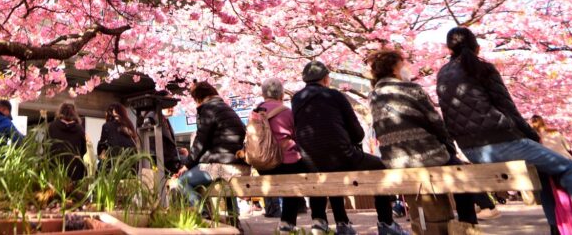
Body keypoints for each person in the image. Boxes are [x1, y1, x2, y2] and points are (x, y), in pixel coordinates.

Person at [437, 27, 572, 229]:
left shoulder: (442, 75)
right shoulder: (482, 68)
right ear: (476, 47)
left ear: (449, 49)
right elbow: (508, 108)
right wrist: (532, 136)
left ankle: (557, 227)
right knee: (569, 167)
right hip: (501, 142)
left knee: (544, 172)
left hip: (471, 150)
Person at [293, 60, 410, 235]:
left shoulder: (296, 99)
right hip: (341, 156)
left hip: (310, 160)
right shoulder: (335, 95)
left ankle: (341, 223)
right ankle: (386, 223)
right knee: (379, 166)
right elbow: (357, 133)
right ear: (325, 79)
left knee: (327, 172)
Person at [367, 49, 478, 228]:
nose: (407, 68)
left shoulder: (373, 96)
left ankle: (434, 225)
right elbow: (435, 122)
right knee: (461, 175)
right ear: (395, 69)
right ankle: (467, 224)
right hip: (427, 154)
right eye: (403, 64)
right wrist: (449, 147)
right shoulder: (411, 88)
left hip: (394, 161)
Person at [256, 77, 348, 234]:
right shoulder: (286, 112)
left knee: (291, 181)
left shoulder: (255, 113)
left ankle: (287, 223)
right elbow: (300, 136)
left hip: (263, 165)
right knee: (314, 170)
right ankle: (317, 220)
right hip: (286, 163)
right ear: (281, 93)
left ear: (263, 94)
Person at [173, 81, 247, 206]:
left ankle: (203, 214)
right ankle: (233, 221)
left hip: (221, 167)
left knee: (181, 182)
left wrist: (187, 165)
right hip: (239, 164)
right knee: (226, 188)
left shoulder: (209, 110)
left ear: (198, 98)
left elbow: (200, 142)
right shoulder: (226, 108)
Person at [47, 102, 88, 184]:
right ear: (74, 113)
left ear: (60, 112)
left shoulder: (52, 126)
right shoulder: (80, 129)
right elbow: (84, 151)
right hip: (74, 170)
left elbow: (46, 147)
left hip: (55, 168)